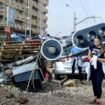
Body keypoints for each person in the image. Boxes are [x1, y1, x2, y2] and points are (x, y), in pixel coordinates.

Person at [88, 35, 105, 105]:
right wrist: (91, 59)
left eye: (97, 41)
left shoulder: (103, 48)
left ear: (100, 41)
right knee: (94, 83)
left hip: (100, 68)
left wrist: (98, 59)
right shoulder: (91, 47)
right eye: (95, 41)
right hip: (92, 67)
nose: (95, 42)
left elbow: (104, 60)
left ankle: (98, 99)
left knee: (98, 83)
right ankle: (95, 97)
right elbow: (89, 56)